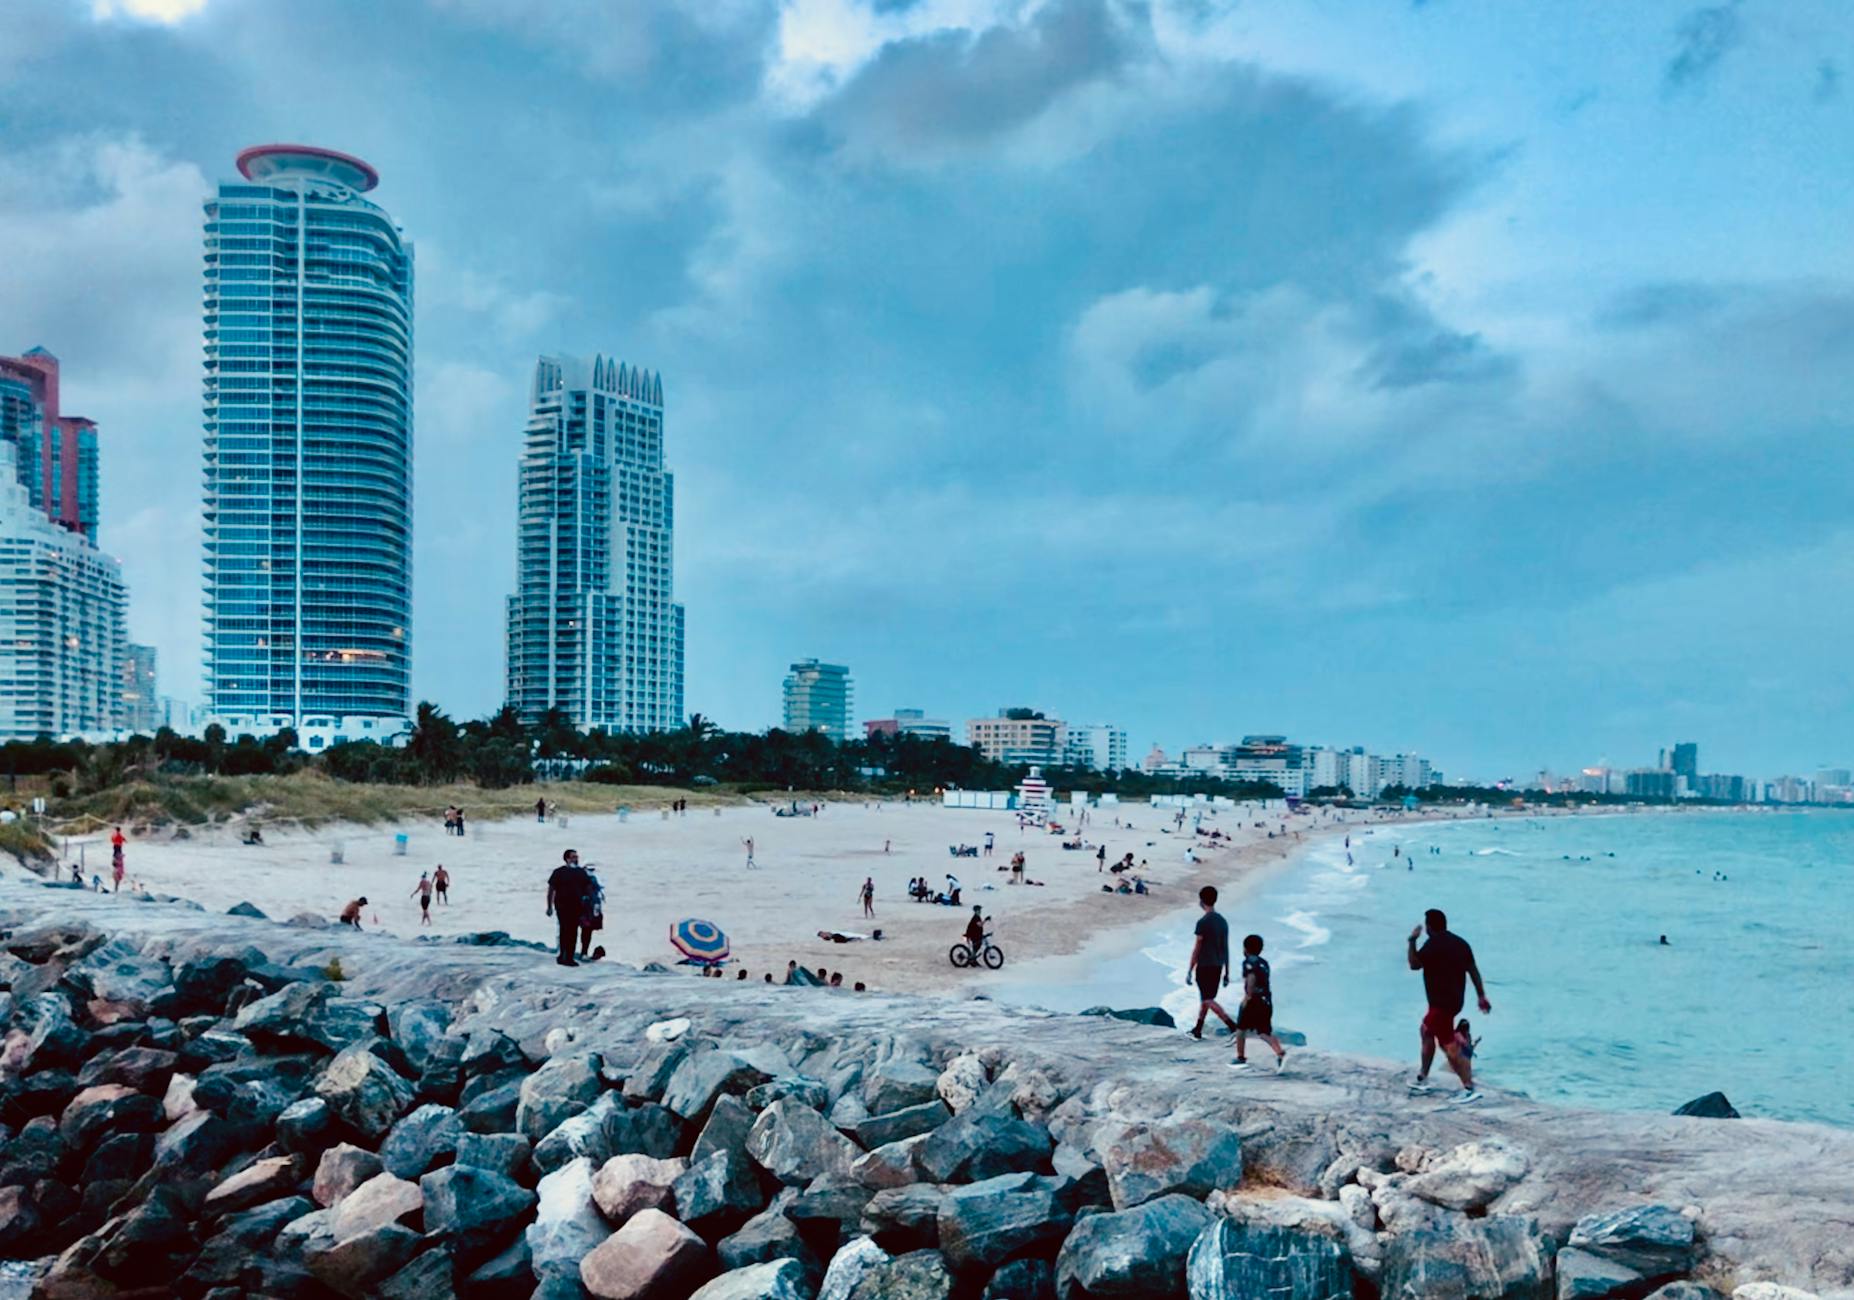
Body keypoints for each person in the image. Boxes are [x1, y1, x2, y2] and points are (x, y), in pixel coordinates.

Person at [1408, 908, 1491, 1101]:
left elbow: (1414, 964)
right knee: (1426, 1031)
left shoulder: (1433, 945)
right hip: (1453, 1001)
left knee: (1448, 1045)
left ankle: (1469, 1088)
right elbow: (1473, 971)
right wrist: (1481, 996)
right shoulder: (1461, 944)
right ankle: (1423, 1078)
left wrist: (1412, 941)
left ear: (1429, 927)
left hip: (1441, 1004)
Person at [1185, 885, 1237, 1041]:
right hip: (1217, 966)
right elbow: (1226, 947)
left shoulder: (1203, 922)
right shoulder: (1222, 921)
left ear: (1201, 901)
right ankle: (1198, 1029)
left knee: (1207, 999)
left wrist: (1190, 969)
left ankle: (1231, 1025)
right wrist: (1227, 971)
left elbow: (1197, 948)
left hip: (1205, 966)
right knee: (1206, 998)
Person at [1230, 934, 1287, 1071]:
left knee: (1241, 1029)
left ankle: (1240, 1057)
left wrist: (1247, 997)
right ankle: (1280, 1052)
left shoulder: (1249, 962)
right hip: (1266, 1000)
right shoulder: (1264, 963)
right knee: (1264, 1032)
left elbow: (1251, 978)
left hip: (1253, 1000)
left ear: (1245, 948)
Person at [546, 850, 592, 967]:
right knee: (564, 931)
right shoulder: (559, 872)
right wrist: (549, 906)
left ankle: (569, 957)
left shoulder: (581, 873)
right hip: (562, 906)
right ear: (566, 858)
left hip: (577, 907)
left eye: (576, 857)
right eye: (572, 857)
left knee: (572, 932)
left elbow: (588, 889)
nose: (575, 859)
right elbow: (551, 890)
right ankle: (563, 955)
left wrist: (589, 906)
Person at [579, 864, 606, 959]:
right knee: (585, 932)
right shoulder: (587, 880)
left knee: (587, 931)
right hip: (585, 909)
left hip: (589, 909)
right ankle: (583, 952)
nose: (591, 871)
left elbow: (597, 897)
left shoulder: (592, 880)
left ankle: (584, 952)